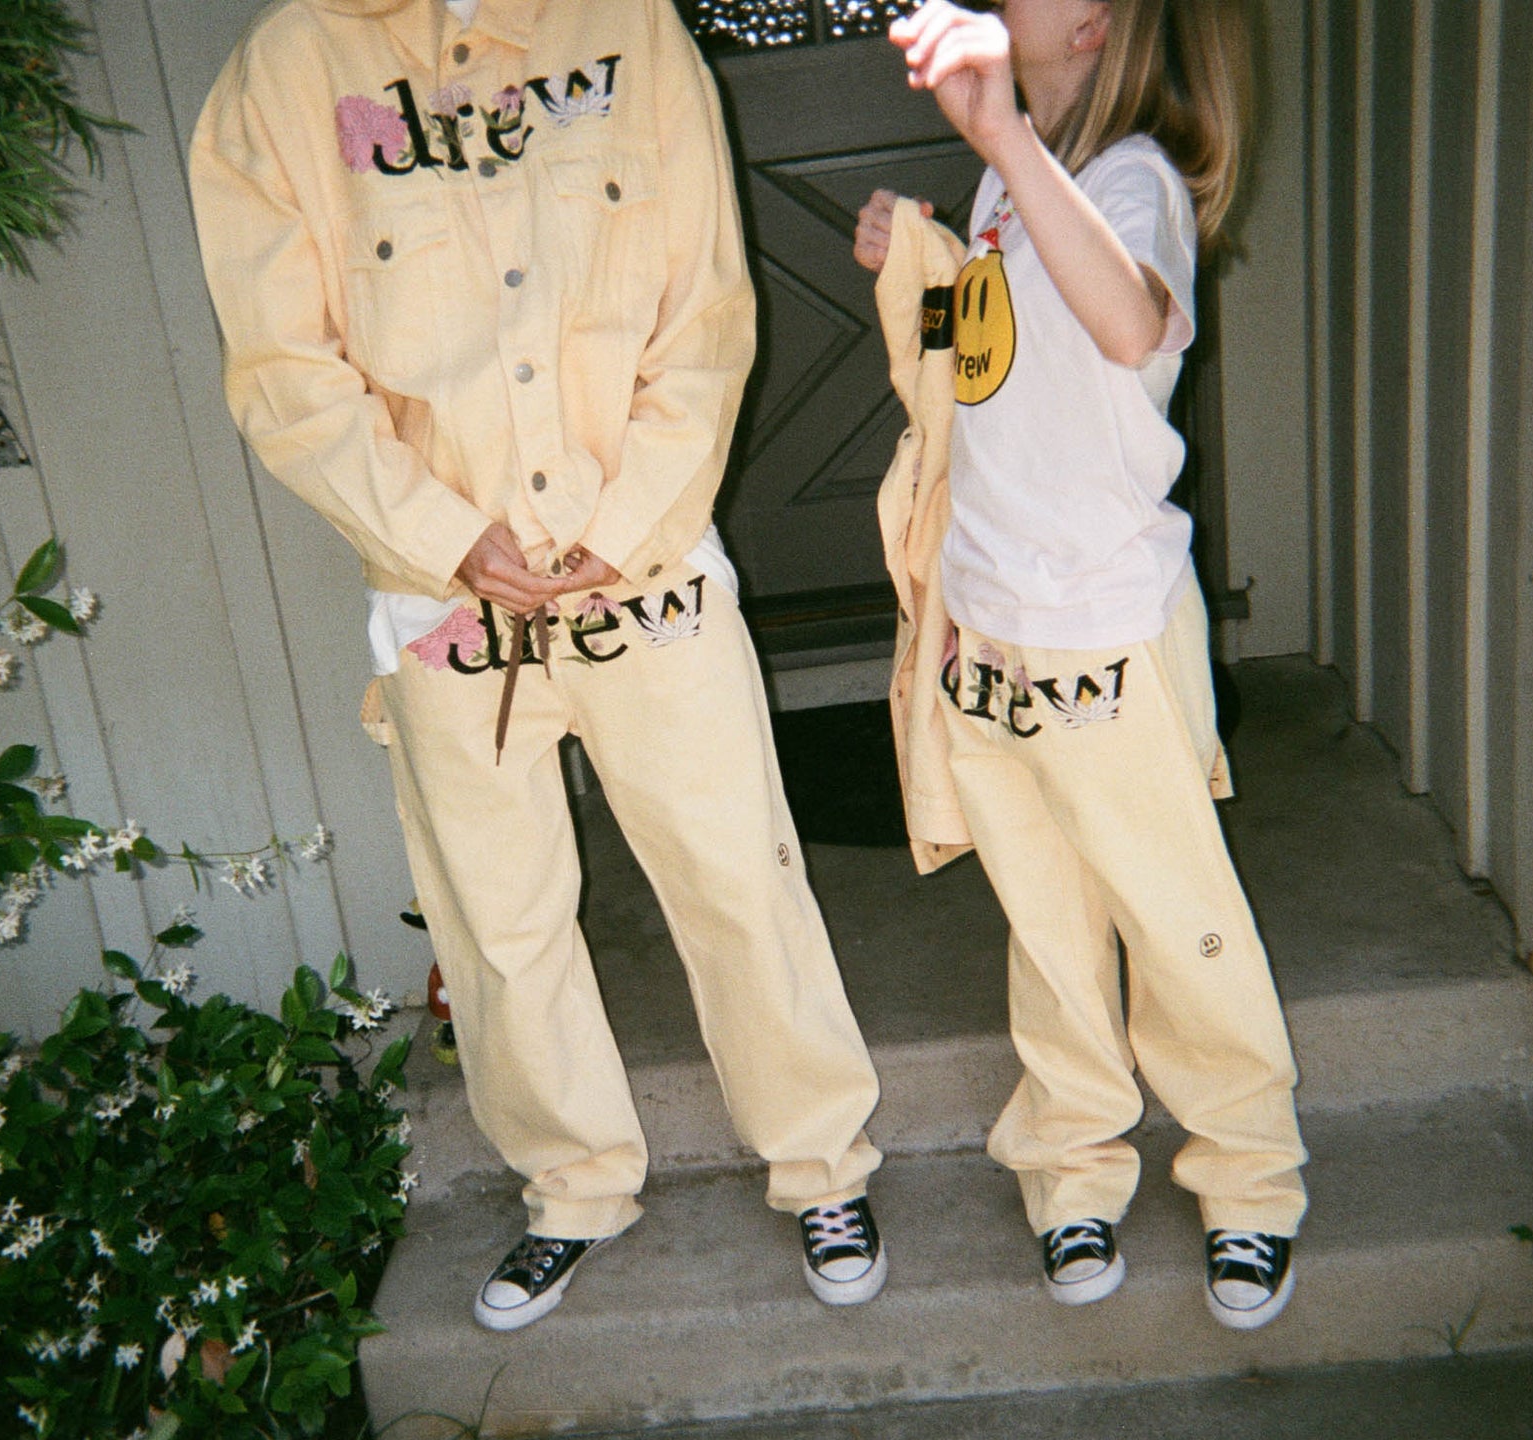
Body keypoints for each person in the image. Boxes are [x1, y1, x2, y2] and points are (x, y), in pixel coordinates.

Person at [188, 0, 887, 1332]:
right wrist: (444, 538)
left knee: (738, 874)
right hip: (443, 602)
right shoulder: (280, 76)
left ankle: (821, 1164)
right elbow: (282, 369)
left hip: (647, 572)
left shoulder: (628, 27)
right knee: (498, 918)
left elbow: (706, 310)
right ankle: (571, 1186)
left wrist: (628, 523)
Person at [854, 0, 1307, 1329]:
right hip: (993, 624)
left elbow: (1124, 325)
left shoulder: (1131, 181)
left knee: (1177, 922)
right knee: (1047, 928)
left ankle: (1248, 1175)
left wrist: (1004, 139)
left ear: (1098, 23)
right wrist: (923, 268)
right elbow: (991, 379)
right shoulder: (1010, 183)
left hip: (1105, 629)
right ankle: (1071, 1166)